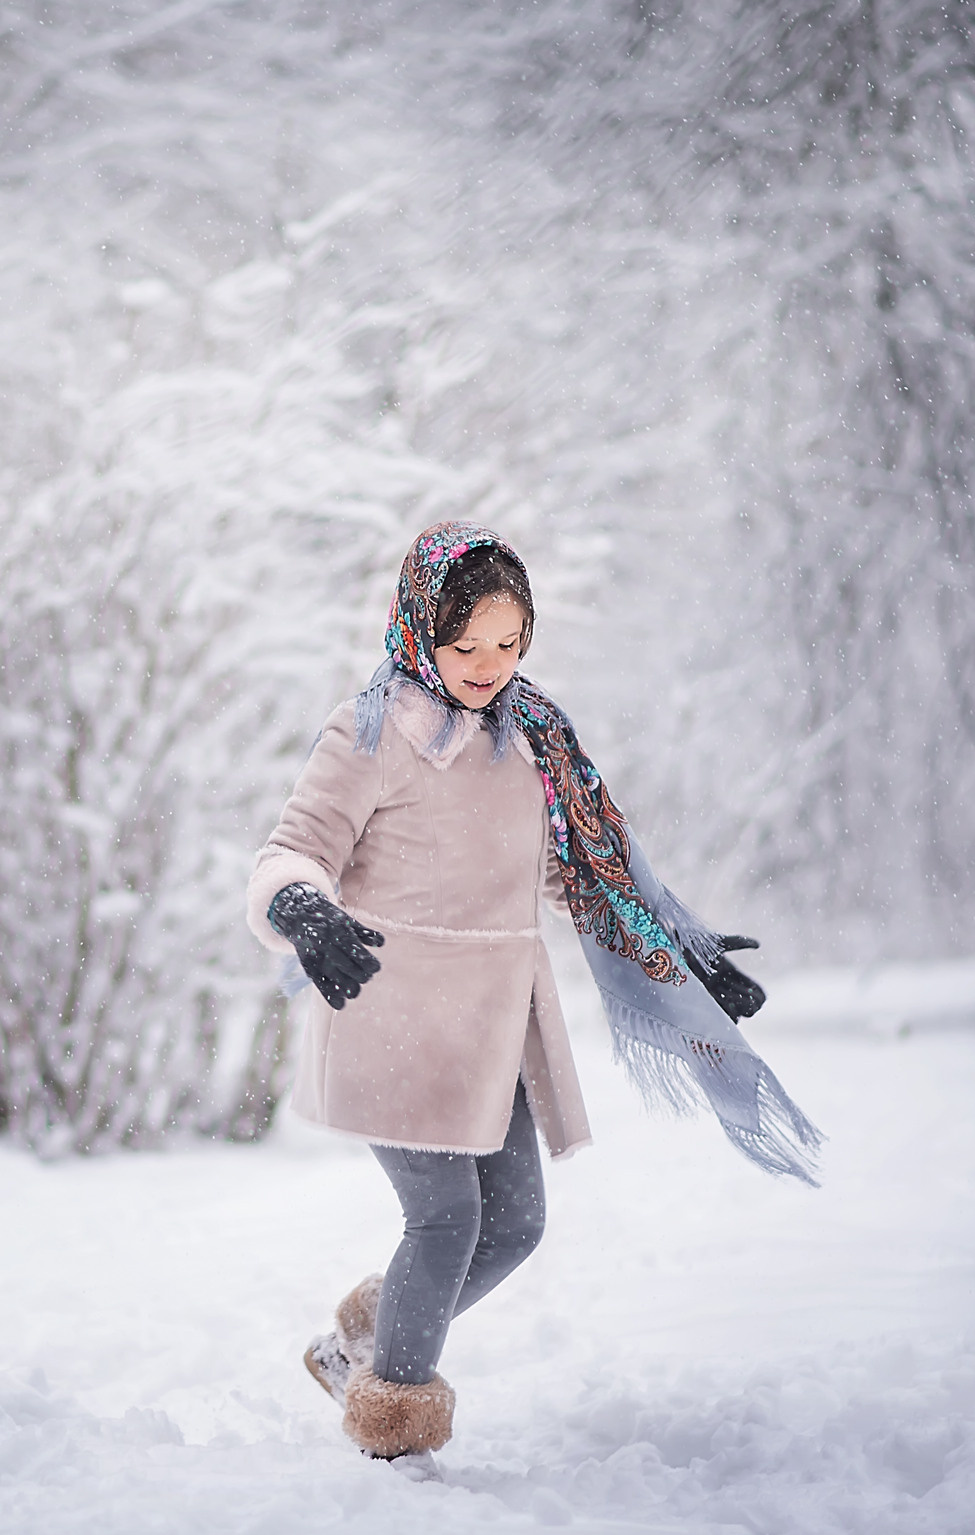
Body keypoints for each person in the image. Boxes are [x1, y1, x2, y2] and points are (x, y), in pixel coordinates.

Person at [245, 521, 825, 1464]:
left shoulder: (531, 744)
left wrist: (682, 950)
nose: (489, 665)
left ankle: (354, 1341)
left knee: (514, 1224)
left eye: (510, 643)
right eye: (466, 643)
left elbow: (579, 877)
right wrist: (304, 908)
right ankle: (390, 1432)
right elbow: (291, 850)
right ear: (419, 627)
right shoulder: (367, 732)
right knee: (446, 1219)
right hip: (390, 1011)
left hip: (488, 1030)